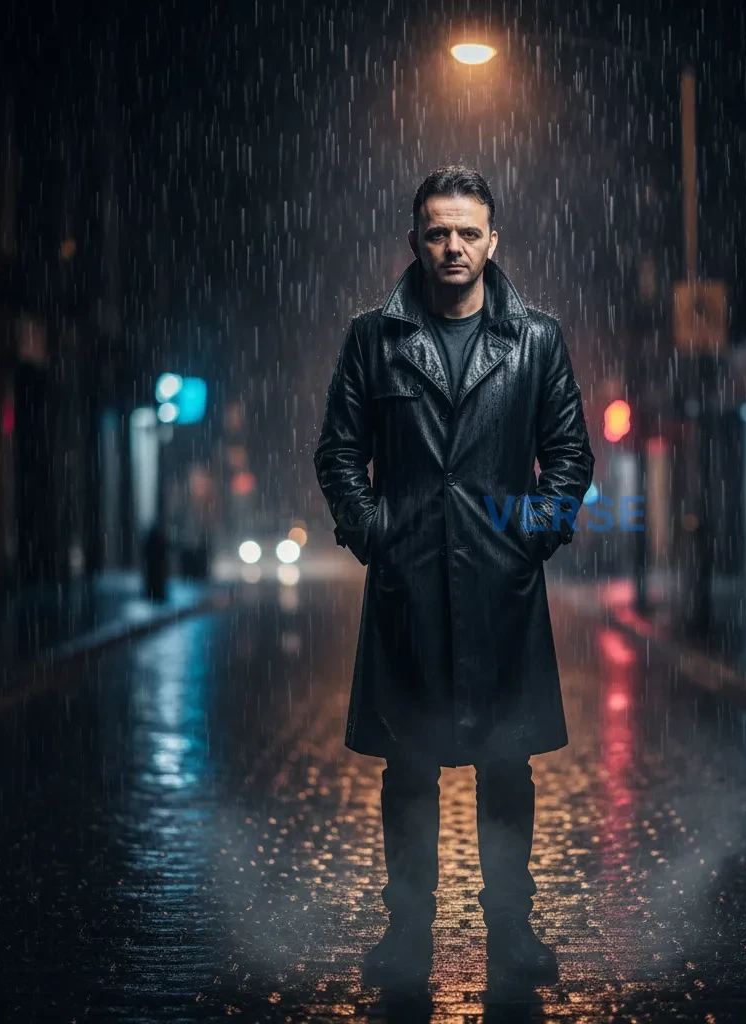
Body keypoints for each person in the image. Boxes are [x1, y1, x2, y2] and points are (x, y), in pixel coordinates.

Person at [313, 165, 595, 986]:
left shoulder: (535, 337)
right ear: (415, 241)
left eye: (468, 231)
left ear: (493, 240)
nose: (453, 246)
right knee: (411, 768)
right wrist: (375, 535)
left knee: (509, 765)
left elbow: (570, 452)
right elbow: (338, 449)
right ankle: (408, 937)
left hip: (502, 590)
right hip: (409, 590)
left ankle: (512, 931)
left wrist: (531, 536)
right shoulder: (375, 337)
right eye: (438, 231)